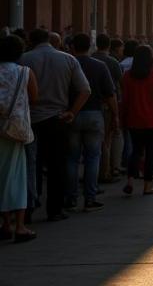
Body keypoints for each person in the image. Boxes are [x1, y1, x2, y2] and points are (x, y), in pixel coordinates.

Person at [20, 27, 90, 222]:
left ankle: (27, 208)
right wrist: (72, 112)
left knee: (30, 164)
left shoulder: (24, 59)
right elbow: (85, 90)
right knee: (57, 165)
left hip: (30, 119)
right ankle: (55, 209)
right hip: (58, 118)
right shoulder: (68, 59)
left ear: (30, 41)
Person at [67, 33, 117, 211]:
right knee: (93, 157)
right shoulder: (100, 66)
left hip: (71, 114)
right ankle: (90, 197)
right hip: (95, 114)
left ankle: (71, 198)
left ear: (72, 46)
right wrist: (115, 116)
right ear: (90, 46)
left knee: (72, 158)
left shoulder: (68, 64)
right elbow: (110, 95)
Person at [0, 34, 37, 243]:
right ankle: (20, 226)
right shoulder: (25, 72)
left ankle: (5, 224)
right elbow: (35, 97)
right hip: (16, 129)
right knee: (18, 177)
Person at [121, 45, 153, 198]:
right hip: (152, 121)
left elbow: (125, 100)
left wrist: (123, 118)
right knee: (150, 153)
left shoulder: (127, 75)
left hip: (133, 119)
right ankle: (147, 186)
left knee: (136, 151)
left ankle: (130, 181)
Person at [93, 33, 124, 183]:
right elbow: (121, 84)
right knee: (106, 140)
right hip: (107, 105)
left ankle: (91, 173)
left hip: (88, 104)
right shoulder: (112, 62)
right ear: (109, 46)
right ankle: (104, 173)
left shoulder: (90, 59)